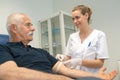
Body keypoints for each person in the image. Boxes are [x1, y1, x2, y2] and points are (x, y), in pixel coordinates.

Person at [0, 13, 117, 80]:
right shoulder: (4, 48)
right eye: (28, 25)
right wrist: (60, 79)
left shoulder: (41, 52)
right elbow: (9, 74)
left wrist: (96, 76)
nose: (33, 28)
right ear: (14, 28)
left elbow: (67, 71)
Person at [56, 5, 109, 73]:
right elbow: (69, 58)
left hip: (91, 76)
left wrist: (80, 62)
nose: (75, 21)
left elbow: (100, 63)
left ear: (86, 15)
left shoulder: (99, 35)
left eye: (77, 17)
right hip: (74, 75)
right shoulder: (72, 37)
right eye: (73, 19)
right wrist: (63, 58)